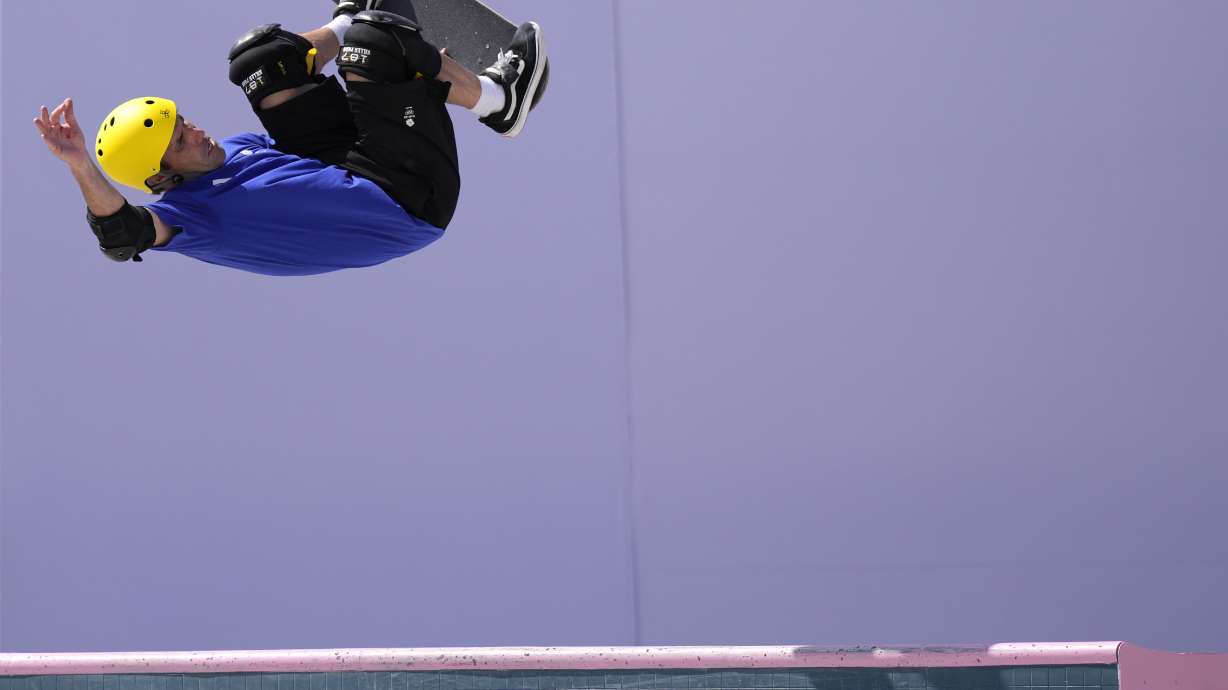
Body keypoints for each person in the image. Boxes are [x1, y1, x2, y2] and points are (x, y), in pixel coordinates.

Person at [33, 0, 547, 276]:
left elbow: (314, 118)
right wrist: (79, 163)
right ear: (162, 176)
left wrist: (391, 80)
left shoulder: (233, 149)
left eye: (181, 122)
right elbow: (122, 238)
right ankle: (499, 99)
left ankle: (354, 16)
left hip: (345, 162)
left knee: (256, 61)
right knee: (375, 45)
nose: (194, 131)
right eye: (179, 142)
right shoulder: (188, 217)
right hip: (405, 200)